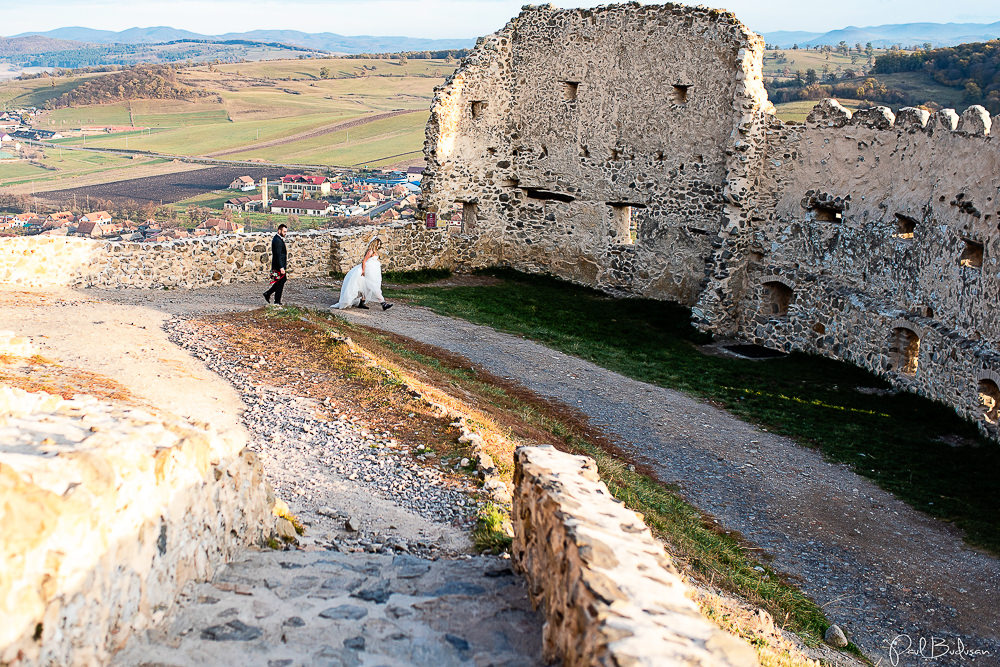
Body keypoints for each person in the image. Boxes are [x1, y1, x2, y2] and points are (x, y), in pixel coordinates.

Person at [331, 237, 393, 311]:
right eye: (378, 243)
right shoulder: (370, 251)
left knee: (367, 287)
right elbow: (364, 261)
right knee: (374, 287)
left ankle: (362, 302)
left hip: (373, 270)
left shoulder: (375, 251)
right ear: (374, 243)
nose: (379, 245)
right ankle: (383, 304)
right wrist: (363, 271)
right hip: (368, 270)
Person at [263, 224, 288, 306]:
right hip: (278, 266)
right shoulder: (277, 240)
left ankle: (271, 296)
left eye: (286, 232)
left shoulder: (277, 239)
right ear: (279, 230)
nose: (285, 233)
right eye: (284, 231)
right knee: (281, 281)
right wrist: (281, 267)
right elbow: (278, 255)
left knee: (281, 281)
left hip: (279, 265)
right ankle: (275, 299)